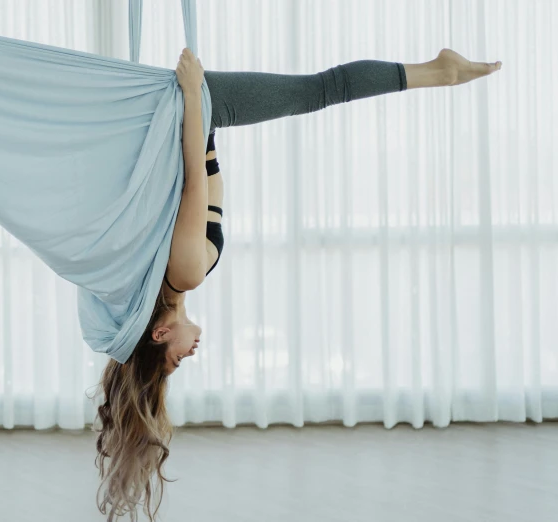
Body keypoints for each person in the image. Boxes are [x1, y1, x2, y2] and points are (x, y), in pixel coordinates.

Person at [91, 47, 502, 522]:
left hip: (188, 109)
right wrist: (206, 136)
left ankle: (439, 73)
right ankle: (438, 71)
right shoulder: (166, 280)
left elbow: (193, 189)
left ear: (160, 335)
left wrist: (192, 99)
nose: (190, 356)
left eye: (175, 361)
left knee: (322, 90)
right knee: (320, 90)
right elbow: (209, 192)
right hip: (189, 122)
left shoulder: (184, 274)